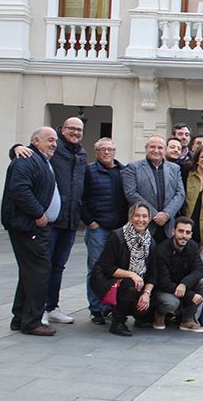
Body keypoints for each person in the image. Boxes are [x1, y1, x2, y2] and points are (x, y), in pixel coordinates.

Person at [12, 117, 87, 326]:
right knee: (40, 267)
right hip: (49, 223)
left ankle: (51, 306)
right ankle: (36, 310)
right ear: (62, 130)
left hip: (70, 220)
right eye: (71, 128)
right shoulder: (50, 149)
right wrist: (16, 148)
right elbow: (29, 154)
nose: (75, 132)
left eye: (79, 130)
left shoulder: (81, 154)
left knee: (57, 267)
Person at [1, 126, 59, 336]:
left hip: (36, 226)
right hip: (29, 226)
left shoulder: (41, 159)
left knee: (30, 272)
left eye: (55, 140)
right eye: (49, 140)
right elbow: (19, 189)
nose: (54, 143)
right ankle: (32, 321)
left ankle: (20, 317)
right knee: (38, 272)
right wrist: (38, 214)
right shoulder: (26, 158)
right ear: (35, 141)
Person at [89, 203, 156, 337]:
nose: (140, 220)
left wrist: (146, 294)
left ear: (149, 219)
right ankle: (117, 322)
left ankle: (138, 316)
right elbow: (107, 267)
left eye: (144, 216)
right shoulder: (118, 236)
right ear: (131, 217)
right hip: (110, 281)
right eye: (137, 215)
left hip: (137, 283)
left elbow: (153, 273)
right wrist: (132, 274)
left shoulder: (150, 242)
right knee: (130, 285)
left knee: (150, 305)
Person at [82, 137, 127, 326]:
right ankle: (96, 309)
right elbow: (81, 198)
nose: (106, 152)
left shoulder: (123, 171)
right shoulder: (89, 171)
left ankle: (108, 304)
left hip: (117, 229)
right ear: (96, 152)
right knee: (95, 267)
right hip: (98, 227)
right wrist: (90, 222)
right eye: (102, 149)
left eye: (110, 149)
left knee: (113, 269)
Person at [123, 135, 186, 243]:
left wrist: (167, 214)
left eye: (160, 148)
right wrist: (154, 214)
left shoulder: (174, 169)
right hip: (143, 225)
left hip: (168, 225)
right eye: (152, 147)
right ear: (146, 148)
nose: (156, 150)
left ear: (165, 150)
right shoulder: (133, 167)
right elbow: (131, 193)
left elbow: (180, 194)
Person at [153, 217, 203, 333]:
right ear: (173, 231)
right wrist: (190, 295)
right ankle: (159, 314)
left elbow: (199, 270)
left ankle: (187, 320)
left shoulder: (193, 246)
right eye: (181, 231)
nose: (184, 235)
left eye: (187, 232)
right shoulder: (161, 249)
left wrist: (184, 284)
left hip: (183, 285)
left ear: (191, 234)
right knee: (172, 303)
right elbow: (163, 281)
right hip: (164, 289)